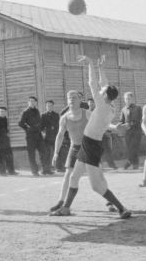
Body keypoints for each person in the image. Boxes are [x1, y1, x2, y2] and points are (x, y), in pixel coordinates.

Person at [51, 55, 131, 219]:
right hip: (89, 144)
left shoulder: (101, 105)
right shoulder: (111, 105)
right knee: (74, 177)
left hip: (91, 146)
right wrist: (101, 68)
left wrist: (90, 63)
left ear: (105, 96)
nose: (100, 91)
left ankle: (122, 208)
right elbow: (104, 85)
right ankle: (66, 208)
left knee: (96, 186)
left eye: (103, 92)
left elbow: (92, 83)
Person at [49, 90, 91, 213]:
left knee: (95, 176)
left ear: (79, 100)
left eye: (74, 97)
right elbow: (60, 135)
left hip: (88, 147)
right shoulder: (64, 118)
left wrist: (114, 128)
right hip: (74, 148)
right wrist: (56, 152)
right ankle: (61, 201)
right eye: (69, 98)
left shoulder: (87, 114)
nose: (71, 99)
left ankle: (109, 202)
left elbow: (100, 124)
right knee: (68, 175)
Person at [19, 96, 47, 176]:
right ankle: (34, 171)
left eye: (33, 101)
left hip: (38, 135)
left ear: (36, 103)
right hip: (30, 136)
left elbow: (40, 122)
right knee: (31, 154)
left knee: (43, 152)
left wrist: (42, 131)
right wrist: (28, 129)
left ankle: (44, 170)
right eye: (30, 101)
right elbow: (20, 123)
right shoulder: (25, 112)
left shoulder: (37, 111)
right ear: (28, 102)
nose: (32, 102)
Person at [88, 97, 118, 170]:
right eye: (89, 102)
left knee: (108, 150)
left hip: (104, 134)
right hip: (94, 135)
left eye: (92, 102)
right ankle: (99, 166)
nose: (91, 104)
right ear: (88, 103)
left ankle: (112, 165)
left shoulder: (100, 111)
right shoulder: (87, 113)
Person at [0, 106, 19, 176]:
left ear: (6, 113)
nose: (2, 113)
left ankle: (11, 171)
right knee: (1, 157)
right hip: (0, 142)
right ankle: (2, 172)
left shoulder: (6, 120)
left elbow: (7, 131)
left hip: (6, 141)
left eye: (3, 111)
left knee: (9, 156)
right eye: (0, 111)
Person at [118, 91, 142, 170]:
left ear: (132, 99)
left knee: (134, 147)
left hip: (136, 131)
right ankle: (135, 164)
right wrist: (119, 125)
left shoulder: (138, 108)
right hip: (128, 132)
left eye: (128, 98)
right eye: (125, 99)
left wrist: (130, 124)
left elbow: (139, 119)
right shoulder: (123, 109)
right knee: (129, 148)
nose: (127, 100)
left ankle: (129, 161)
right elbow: (121, 120)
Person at [40, 100, 60, 175]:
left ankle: (58, 168)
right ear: (46, 107)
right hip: (47, 137)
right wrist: (43, 133)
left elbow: (58, 126)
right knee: (46, 154)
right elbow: (41, 127)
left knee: (57, 152)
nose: (49, 107)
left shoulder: (56, 115)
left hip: (55, 136)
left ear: (53, 106)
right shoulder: (43, 115)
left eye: (51, 106)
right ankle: (45, 170)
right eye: (48, 106)